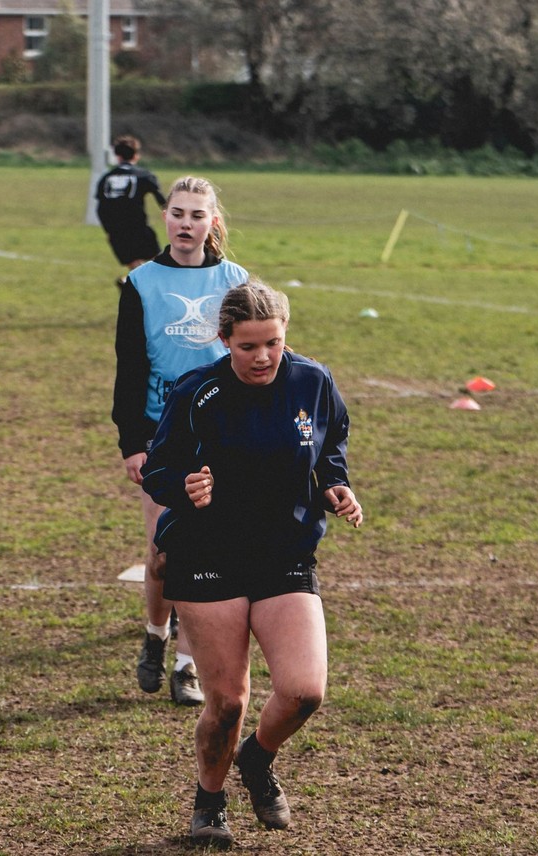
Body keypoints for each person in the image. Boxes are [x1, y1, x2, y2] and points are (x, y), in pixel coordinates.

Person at [141, 281, 363, 847]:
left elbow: (331, 441)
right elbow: (159, 469)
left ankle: (257, 760)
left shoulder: (312, 380)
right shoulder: (198, 392)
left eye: (274, 343)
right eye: (248, 346)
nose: (263, 357)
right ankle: (208, 802)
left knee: (304, 690)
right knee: (228, 701)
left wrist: (335, 484)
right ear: (224, 341)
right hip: (207, 553)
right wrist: (185, 486)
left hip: (284, 552)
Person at [112, 175, 248, 707]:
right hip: (161, 437)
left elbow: (251, 361)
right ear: (164, 217)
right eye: (177, 213)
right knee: (164, 554)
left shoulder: (236, 281)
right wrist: (132, 442)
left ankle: (187, 667)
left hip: (219, 440)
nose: (186, 224)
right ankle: (155, 633)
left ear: (213, 221)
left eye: (197, 215)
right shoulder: (141, 284)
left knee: (204, 552)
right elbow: (129, 370)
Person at [95, 135, 165, 287]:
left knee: (135, 264)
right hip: (139, 227)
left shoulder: (106, 178)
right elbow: (162, 200)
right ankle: (133, 284)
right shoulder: (144, 175)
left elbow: (100, 208)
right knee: (160, 264)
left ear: (117, 156)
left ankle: (129, 283)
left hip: (117, 231)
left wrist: (108, 231)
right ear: (136, 155)